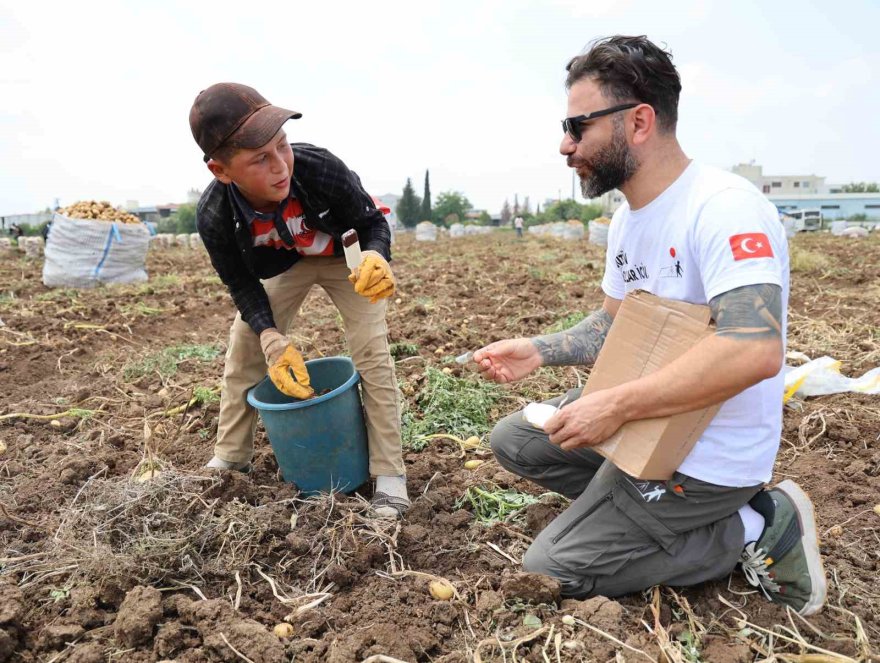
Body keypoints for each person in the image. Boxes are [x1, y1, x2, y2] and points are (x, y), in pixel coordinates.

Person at [474, 36, 825, 615]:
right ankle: (631, 512)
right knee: (518, 441)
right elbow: (614, 323)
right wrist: (539, 350)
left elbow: (754, 349)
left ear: (638, 122)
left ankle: (753, 523)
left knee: (552, 569)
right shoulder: (628, 221)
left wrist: (615, 407)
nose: (565, 145)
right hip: (653, 422)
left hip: (709, 456)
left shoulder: (722, 207)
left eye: (578, 126)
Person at [189, 83, 408, 518]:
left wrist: (376, 256)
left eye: (282, 145)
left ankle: (389, 472)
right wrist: (270, 336)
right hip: (287, 264)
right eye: (260, 159)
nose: (280, 165)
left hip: (344, 257)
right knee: (246, 345)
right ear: (221, 170)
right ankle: (231, 458)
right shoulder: (215, 215)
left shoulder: (318, 167)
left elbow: (371, 223)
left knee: (370, 349)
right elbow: (241, 283)